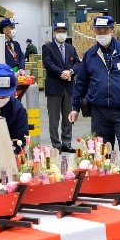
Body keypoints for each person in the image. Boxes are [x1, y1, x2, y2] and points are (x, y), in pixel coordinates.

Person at [68, 16, 120, 185]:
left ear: (113, 30)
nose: (102, 34)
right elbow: (80, 82)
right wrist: (75, 107)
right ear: (94, 32)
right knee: (101, 152)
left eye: (105, 30)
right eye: (99, 31)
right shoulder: (90, 55)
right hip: (99, 113)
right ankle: (105, 184)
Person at [42, 22, 81, 153]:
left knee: (68, 117)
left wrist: (70, 72)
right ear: (54, 33)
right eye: (58, 31)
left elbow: (77, 63)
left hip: (69, 87)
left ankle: (66, 143)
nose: (61, 34)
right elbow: (48, 64)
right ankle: (56, 145)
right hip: (54, 87)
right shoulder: (47, 47)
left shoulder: (71, 48)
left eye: (63, 31)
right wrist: (62, 73)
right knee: (54, 118)